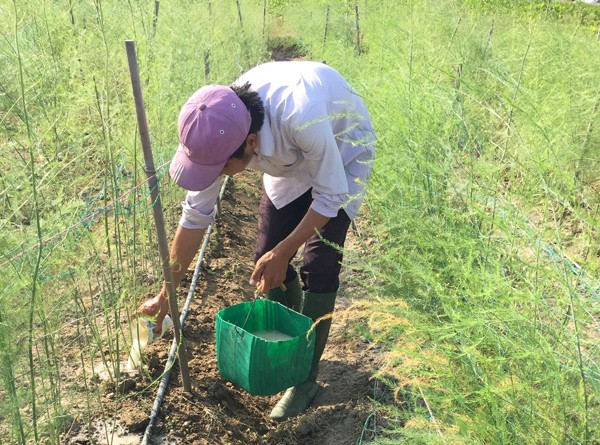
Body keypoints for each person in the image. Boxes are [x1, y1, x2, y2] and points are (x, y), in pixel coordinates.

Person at [138, 61, 375, 421]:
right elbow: (195, 216)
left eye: (219, 170)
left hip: (341, 151)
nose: (213, 178)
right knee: (265, 252)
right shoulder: (217, 122)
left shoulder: (299, 112)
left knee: (319, 264)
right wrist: (167, 294)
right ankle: (291, 340)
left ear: (250, 145)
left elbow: (329, 196)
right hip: (290, 165)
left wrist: (286, 251)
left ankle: (304, 379)